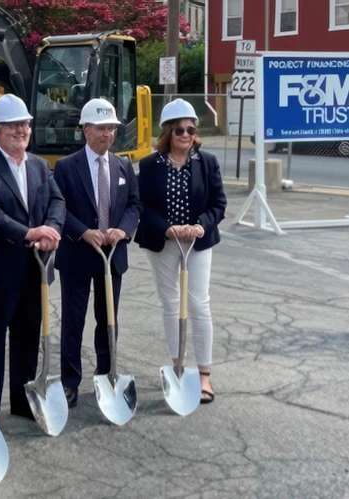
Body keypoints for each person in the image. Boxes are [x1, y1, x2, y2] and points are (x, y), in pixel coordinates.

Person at [0, 94, 65, 421]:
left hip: (34, 271)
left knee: (27, 340)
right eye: (12, 125)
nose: (21, 130)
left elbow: (57, 202)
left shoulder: (40, 166)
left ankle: (24, 402)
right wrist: (29, 233)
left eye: (24, 124)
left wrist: (50, 228)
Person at [134, 98, 227, 404]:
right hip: (164, 242)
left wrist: (201, 225)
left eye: (190, 129)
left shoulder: (207, 162)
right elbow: (141, 205)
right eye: (179, 131)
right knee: (171, 304)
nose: (186, 135)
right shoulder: (149, 166)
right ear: (168, 134)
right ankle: (177, 367)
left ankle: (203, 375)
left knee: (199, 304)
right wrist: (166, 226)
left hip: (197, 243)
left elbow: (218, 204)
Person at [53, 98, 141, 408]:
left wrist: (123, 230)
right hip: (78, 253)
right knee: (73, 322)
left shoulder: (122, 165)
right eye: (102, 128)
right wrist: (82, 232)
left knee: (108, 320)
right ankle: (70, 382)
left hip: (111, 255)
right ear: (86, 129)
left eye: (112, 129)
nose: (108, 135)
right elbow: (58, 206)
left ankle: (106, 374)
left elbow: (133, 204)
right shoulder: (66, 167)